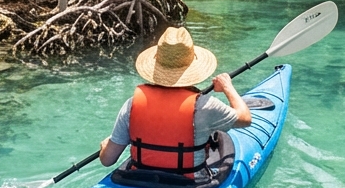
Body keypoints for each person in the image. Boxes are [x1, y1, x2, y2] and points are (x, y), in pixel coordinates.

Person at [98, 26, 251, 175]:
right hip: (188, 183)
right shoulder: (205, 105)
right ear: (192, 67)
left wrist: (105, 146)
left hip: (141, 177)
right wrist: (227, 87)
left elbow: (107, 160)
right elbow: (245, 119)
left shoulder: (131, 105)